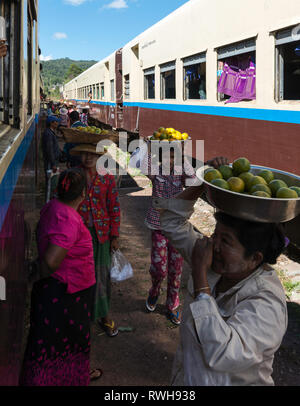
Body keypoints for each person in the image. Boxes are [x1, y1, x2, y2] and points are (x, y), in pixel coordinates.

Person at [153, 158, 288, 386]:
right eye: (215, 235)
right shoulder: (215, 261)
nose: (213, 246)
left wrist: (200, 279)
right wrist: (201, 183)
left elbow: (223, 354)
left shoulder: (267, 302)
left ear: (255, 258)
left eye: (225, 241)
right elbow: (171, 222)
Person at [19, 169, 102, 386]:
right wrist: (37, 276)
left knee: (49, 341)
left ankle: (73, 376)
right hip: (66, 295)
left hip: (60, 291)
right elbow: (52, 260)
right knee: (63, 343)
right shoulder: (69, 220)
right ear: (83, 194)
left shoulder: (52, 207)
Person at [142, 144, 197, 326]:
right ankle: (155, 290)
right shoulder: (154, 168)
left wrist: (183, 159)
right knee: (159, 268)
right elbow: (143, 165)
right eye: (166, 156)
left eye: (174, 157)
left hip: (176, 226)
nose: (170, 160)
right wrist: (151, 147)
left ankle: (172, 304)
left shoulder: (182, 169)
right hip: (157, 224)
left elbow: (194, 181)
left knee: (176, 269)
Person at [70, 144, 121, 337]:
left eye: (92, 153)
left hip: (102, 236)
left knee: (102, 275)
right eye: (83, 153)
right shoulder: (74, 176)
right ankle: (80, 314)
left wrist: (114, 236)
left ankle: (104, 315)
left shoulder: (107, 178)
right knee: (79, 274)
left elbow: (114, 207)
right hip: (78, 235)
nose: (87, 157)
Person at [42, 116, 62, 200]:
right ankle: (49, 199)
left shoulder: (50, 132)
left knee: (53, 179)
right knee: (51, 181)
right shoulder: (48, 134)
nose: (57, 123)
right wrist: (53, 163)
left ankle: (51, 197)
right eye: (56, 122)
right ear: (51, 123)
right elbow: (49, 150)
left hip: (53, 160)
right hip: (51, 162)